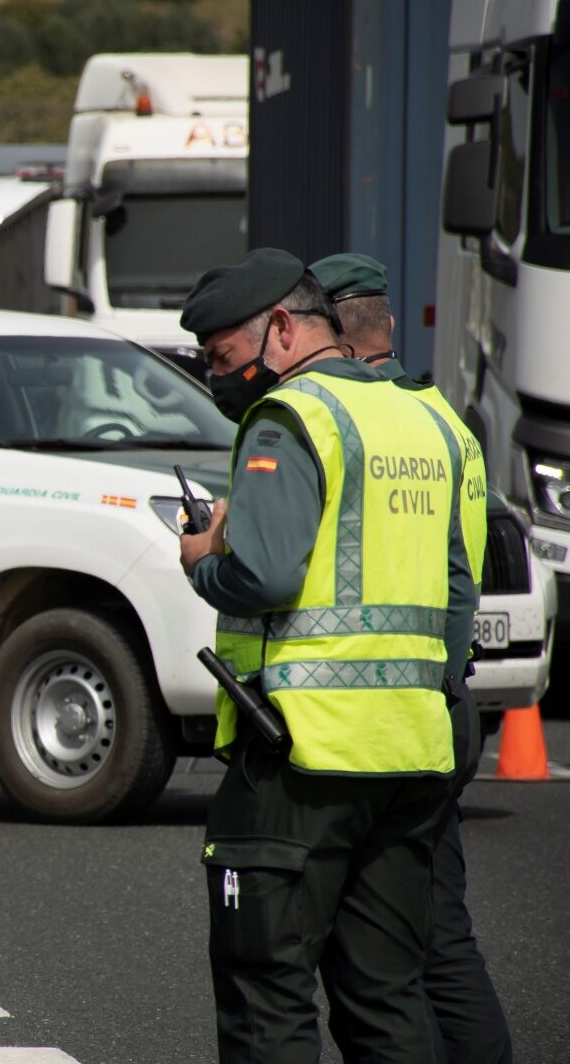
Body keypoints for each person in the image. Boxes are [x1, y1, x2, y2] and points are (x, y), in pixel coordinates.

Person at [177, 248, 474, 1062]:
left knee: (264, 990)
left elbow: (263, 572)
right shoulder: (425, 418)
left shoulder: (290, 417)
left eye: (223, 355)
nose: (218, 374)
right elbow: (457, 587)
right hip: (412, 751)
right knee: (385, 995)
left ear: (280, 327)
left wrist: (202, 554)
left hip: (304, 754)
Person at [310, 252, 511, 1063]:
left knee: (416, 942)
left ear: (331, 331)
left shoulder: (354, 423)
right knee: (426, 928)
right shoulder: (444, 425)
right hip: (442, 693)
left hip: (390, 706)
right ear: (388, 324)